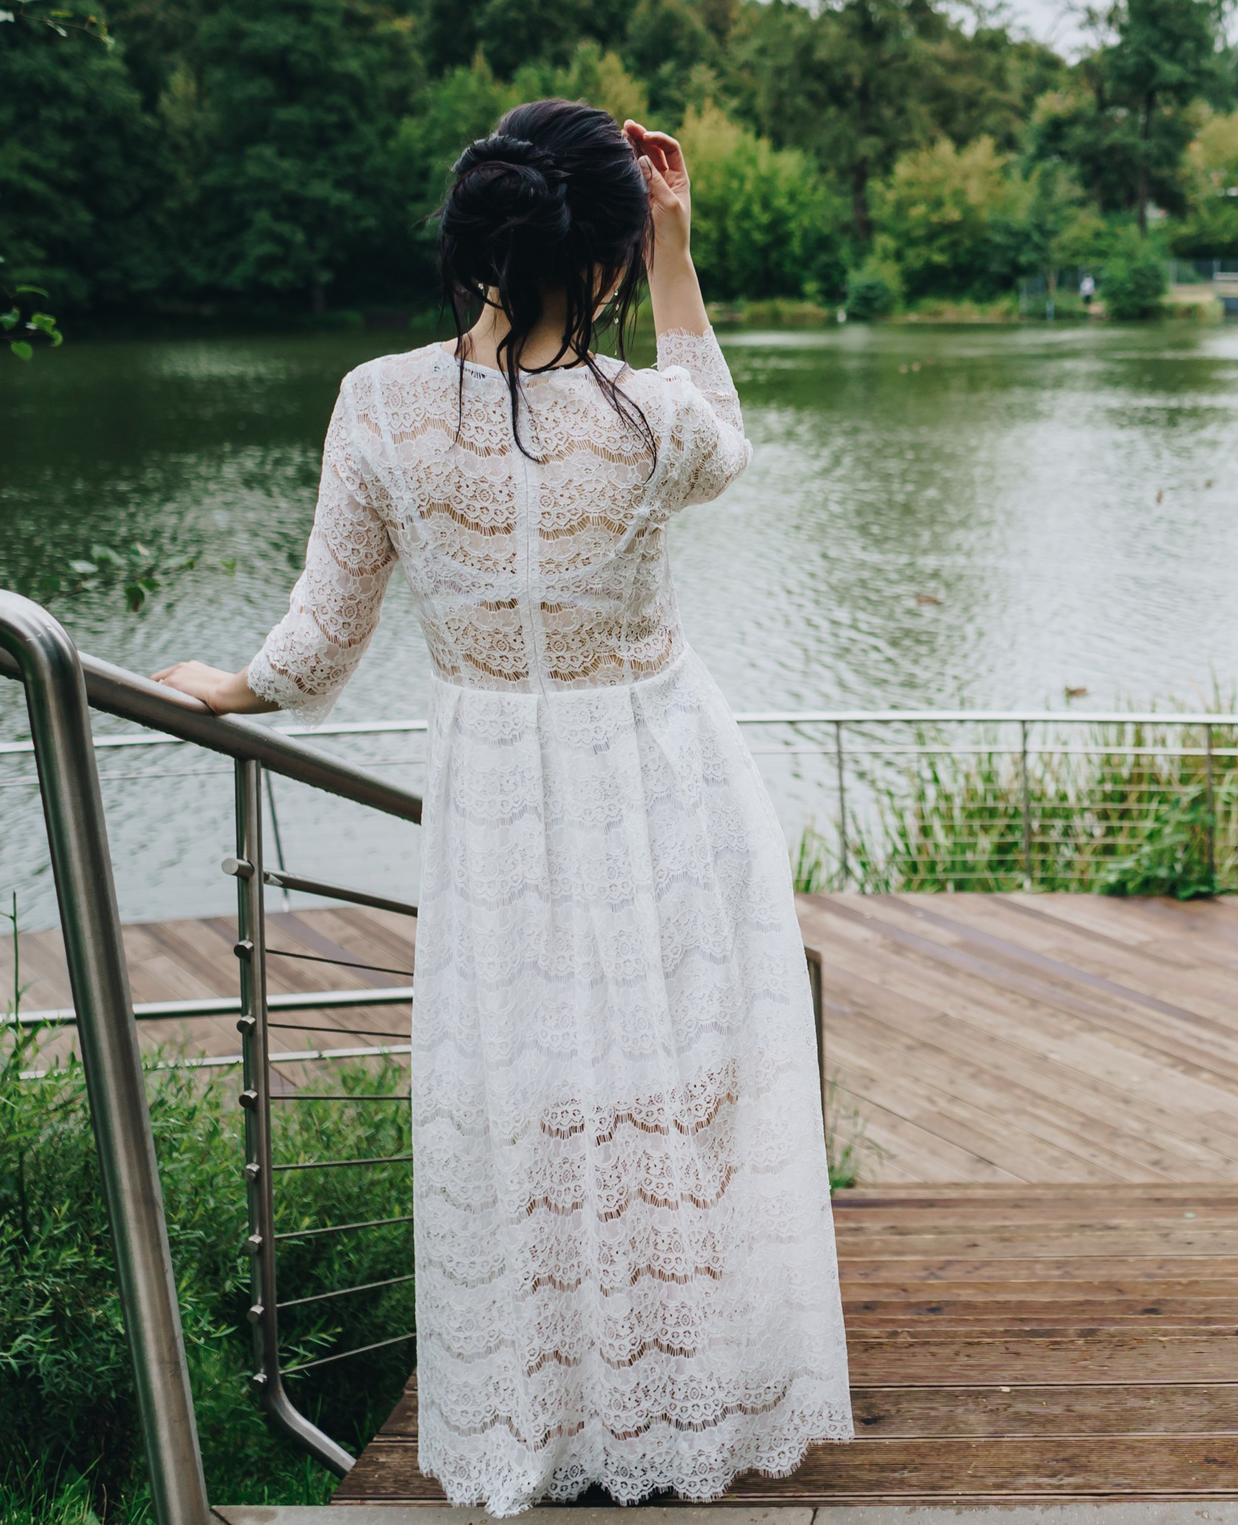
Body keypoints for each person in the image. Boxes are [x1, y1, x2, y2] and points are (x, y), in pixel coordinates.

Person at [152, 100, 851, 1514]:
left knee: (521, 1088)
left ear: (473, 243)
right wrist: (676, 251)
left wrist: (226, 688)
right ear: (597, 256)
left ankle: (558, 1408)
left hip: (498, 804)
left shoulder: (381, 405)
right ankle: (670, 1393)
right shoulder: (649, 421)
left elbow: (318, 639)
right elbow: (727, 431)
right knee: (670, 1078)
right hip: (659, 773)